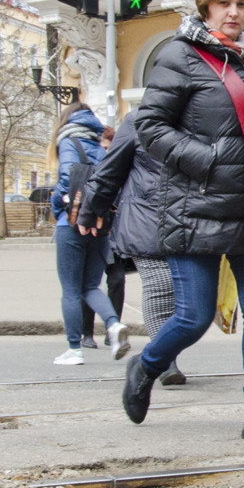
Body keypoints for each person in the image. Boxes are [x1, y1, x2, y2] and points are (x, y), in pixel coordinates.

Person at [120, 0, 244, 446]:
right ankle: (147, 365)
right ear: (207, 6)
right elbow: (151, 127)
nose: (234, 13)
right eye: (225, 4)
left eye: (242, 4)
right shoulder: (180, 56)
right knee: (193, 317)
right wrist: (208, 160)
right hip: (194, 206)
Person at [80, 111, 186, 386]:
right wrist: (90, 210)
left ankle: (160, 356)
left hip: (189, 219)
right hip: (144, 217)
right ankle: (164, 361)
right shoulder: (137, 120)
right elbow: (110, 169)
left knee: (190, 298)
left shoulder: (201, 115)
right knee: (161, 285)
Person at [48, 100, 128, 366]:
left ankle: (74, 349)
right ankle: (114, 326)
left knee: (71, 289)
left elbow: (68, 178)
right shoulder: (98, 145)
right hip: (98, 224)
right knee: (90, 286)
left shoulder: (69, 141)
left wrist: (57, 202)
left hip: (70, 223)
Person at [82, 126, 125, 348]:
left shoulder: (121, 164)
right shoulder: (91, 167)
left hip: (114, 232)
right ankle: (87, 333)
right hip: (94, 229)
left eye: (108, 148)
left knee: (117, 279)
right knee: (90, 282)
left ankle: (112, 330)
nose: (105, 153)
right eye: (103, 148)